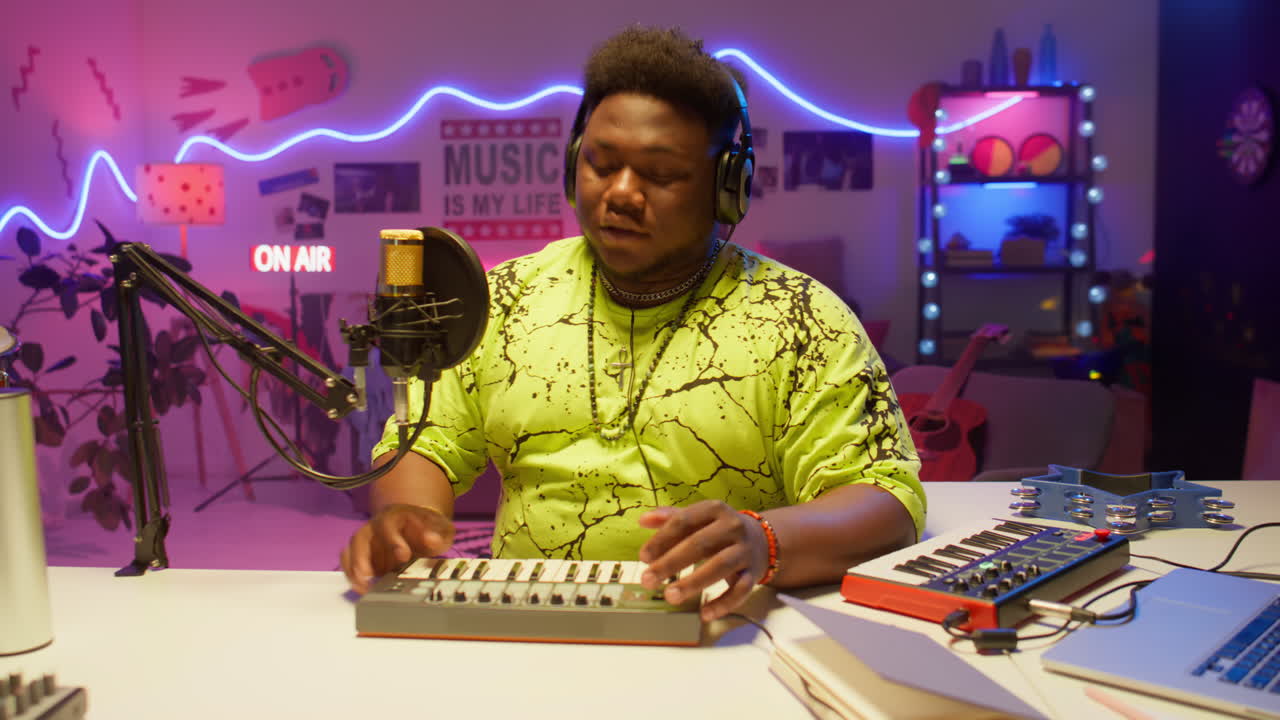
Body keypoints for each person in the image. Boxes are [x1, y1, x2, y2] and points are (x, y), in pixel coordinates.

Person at [340, 25, 925, 622]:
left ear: (726, 188)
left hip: (717, 630)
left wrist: (764, 539)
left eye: (660, 174)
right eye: (600, 163)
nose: (619, 193)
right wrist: (406, 517)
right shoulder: (504, 297)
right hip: (520, 625)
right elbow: (424, 444)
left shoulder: (803, 320)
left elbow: (885, 501)